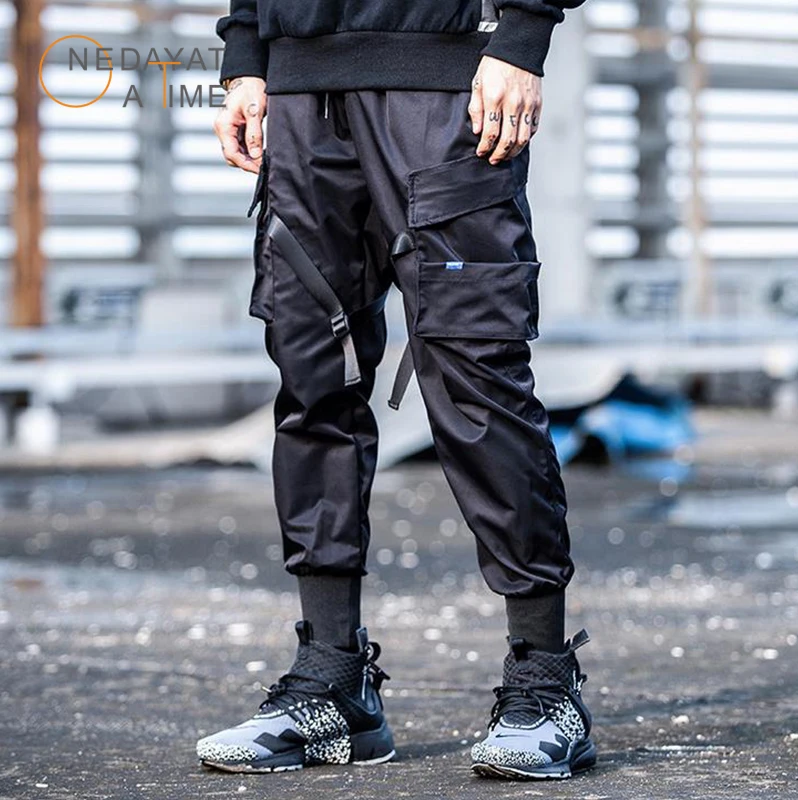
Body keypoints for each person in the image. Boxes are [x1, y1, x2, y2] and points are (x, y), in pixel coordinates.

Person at [196, 0, 595, 781]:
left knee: (477, 383)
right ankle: (332, 682)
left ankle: (546, 682)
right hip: (299, 89)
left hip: (447, 80)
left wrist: (523, 34)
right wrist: (246, 53)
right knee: (314, 385)